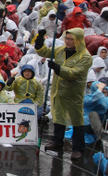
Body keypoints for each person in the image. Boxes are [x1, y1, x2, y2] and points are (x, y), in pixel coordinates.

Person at [35, 28, 92, 160]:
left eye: (71, 39)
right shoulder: (61, 50)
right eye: (67, 38)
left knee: (77, 120)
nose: (68, 41)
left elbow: (74, 73)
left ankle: (78, 148)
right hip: (57, 90)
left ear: (78, 40)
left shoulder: (85, 57)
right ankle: (57, 141)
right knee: (58, 116)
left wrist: (57, 68)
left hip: (73, 93)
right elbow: (45, 52)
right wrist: (39, 40)